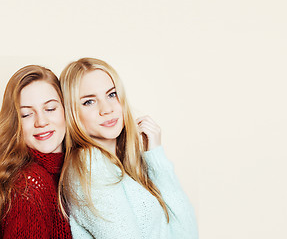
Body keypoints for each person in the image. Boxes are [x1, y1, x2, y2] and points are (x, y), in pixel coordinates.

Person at [59, 57, 198, 239]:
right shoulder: (90, 163)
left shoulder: (125, 165)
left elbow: (188, 232)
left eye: (112, 94)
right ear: (72, 112)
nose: (106, 109)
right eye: (89, 102)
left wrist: (155, 156)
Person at [0, 65, 72, 238]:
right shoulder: (30, 185)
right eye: (26, 114)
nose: (41, 122)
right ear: (15, 123)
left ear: (67, 110)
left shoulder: (72, 171)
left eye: (50, 109)